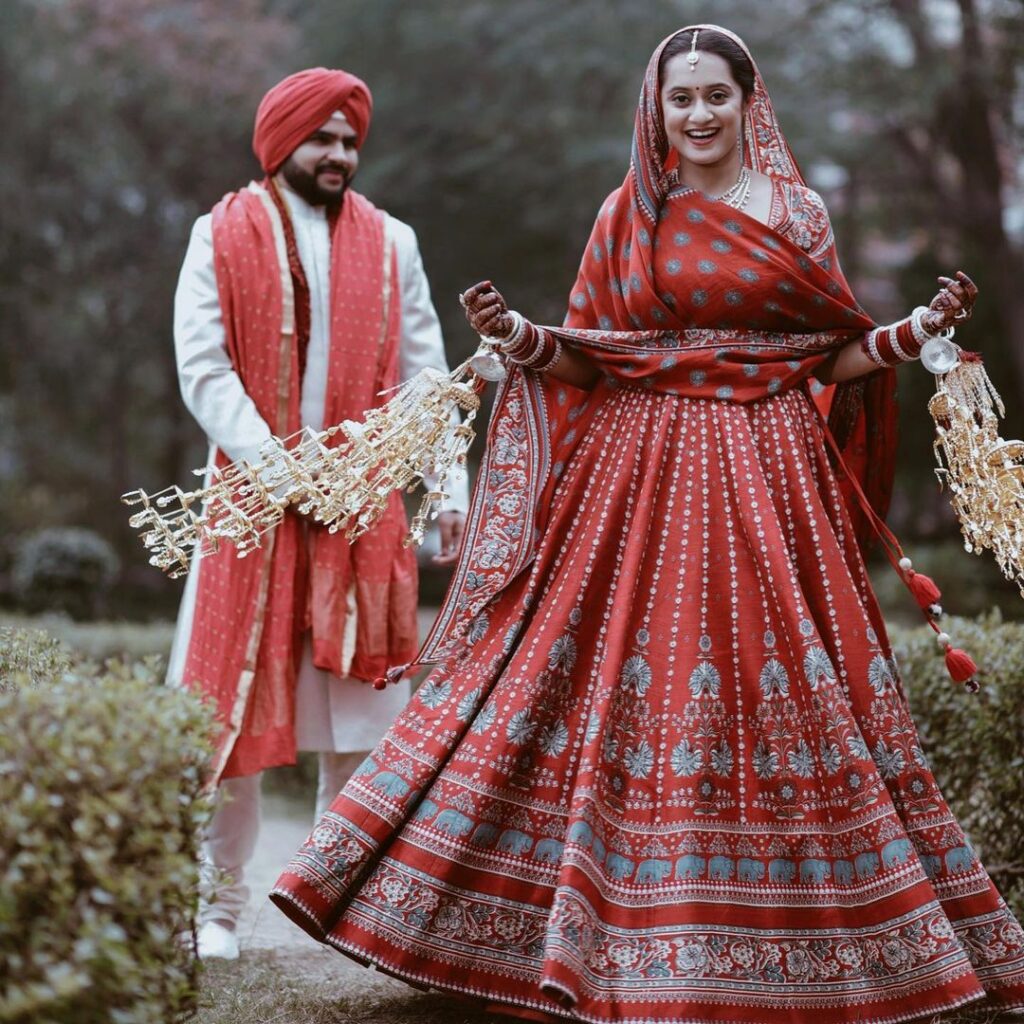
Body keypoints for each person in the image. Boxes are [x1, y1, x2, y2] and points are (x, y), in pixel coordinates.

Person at [270, 28, 1024, 1023]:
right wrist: (518, 338)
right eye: (681, 100)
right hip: (633, 483)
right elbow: (589, 358)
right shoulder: (627, 214)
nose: (699, 116)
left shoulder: (795, 211)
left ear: (750, 101)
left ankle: (822, 951)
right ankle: (531, 931)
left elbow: (829, 356)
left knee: (789, 686)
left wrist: (913, 332)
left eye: (716, 96)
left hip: (767, 483)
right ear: (657, 109)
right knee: (561, 668)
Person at [167, 67, 467, 961]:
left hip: (361, 511)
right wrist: (277, 463)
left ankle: (341, 912)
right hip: (252, 507)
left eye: (349, 140)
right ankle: (217, 910)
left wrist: (445, 489)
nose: (339, 154)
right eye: (321, 139)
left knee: (360, 727)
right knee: (226, 715)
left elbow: (427, 374)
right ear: (280, 144)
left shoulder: (393, 242)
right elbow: (203, 368)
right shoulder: (216, 235)